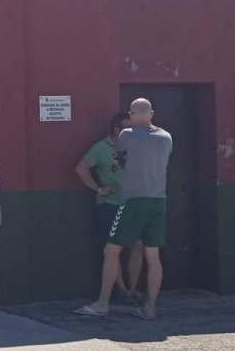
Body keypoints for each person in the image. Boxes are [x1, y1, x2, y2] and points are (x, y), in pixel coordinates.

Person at [76, 98, 172, 320]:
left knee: (111, 250)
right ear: (152, 113)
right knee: (153, 254)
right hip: (159, 200)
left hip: (133, 200)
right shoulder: (166, 137)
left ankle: (102, 304)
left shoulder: (127, 135)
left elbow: (119, 162)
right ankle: (150, 308)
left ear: (132, 114)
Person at [74, 111, 143, 303]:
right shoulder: (101, 148)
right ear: (117, 130)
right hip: (110, 205)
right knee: (114, 249)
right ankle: (121, 290)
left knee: (138, 246)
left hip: (133, 204)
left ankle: (133, 288)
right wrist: (99, 188)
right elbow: (81, 168)